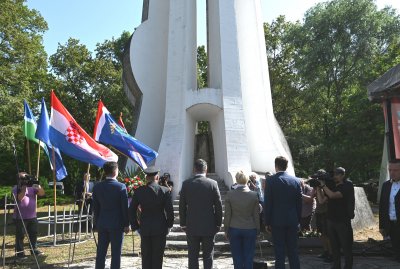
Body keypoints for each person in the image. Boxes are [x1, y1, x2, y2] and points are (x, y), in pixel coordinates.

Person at [179, 159, 223, 269]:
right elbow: (218, 206)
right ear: (206, 169)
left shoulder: (186, 184)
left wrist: (183, 223)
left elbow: (182, 206)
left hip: (192, 225)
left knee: (192, 256)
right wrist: (218, 223)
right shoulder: (213, 184)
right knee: (208, 256)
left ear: (194, 169)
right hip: (208, 225)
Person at [129, 166, 174, 269]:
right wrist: (169, 226)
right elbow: (170, 211)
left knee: (146, 258)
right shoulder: (165, 190)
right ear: (157, 177)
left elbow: (131, 210)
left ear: (146, 178)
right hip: (160, 228)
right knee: (158, 258)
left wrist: (135, 227)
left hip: (145, 228)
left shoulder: (139, 191)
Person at [264, 156, 302, 269]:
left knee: (279, 252)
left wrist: (267, 222)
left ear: (276, 166)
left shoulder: (270, 181)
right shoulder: (296, 181)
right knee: (293, 251)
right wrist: (298, 221)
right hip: (292, 220)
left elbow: (268, 203)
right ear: (287, 166)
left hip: (276, 221)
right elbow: (299, 203)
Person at [92, 161, 130, 269]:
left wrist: (96, 223)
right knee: (116, 253)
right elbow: (124, 207)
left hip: (102, 223)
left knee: (101, 253)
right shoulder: (121, 187)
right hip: (117, 224)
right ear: (115, 171)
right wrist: (127, 224)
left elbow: (96, 208)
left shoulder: (97, 187)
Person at [318, 167, 355, 269]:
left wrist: (323, 185)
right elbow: (321, 201)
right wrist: (317, 188)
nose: (334, 176)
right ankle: (336, 266)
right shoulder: (332, 186)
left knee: (346, 247)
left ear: (343, 175)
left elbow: (333, 195)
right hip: (331, 220)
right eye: (333, 174)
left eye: (336, 174)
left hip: (342, 221)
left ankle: (348, 266)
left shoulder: (347, 185)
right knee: (334, 247)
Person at [224, 170, 260, 269]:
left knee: (237, 258)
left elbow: (227, 215)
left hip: (234, 228)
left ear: (236, 180)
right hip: (250, 228)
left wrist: (226, 230)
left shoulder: (230, 194)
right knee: (249, 257)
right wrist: (258, 230)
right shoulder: (253, 195)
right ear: (247, 180)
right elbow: (256, 215)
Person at [13, 172, 45, 258]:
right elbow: (19, 198)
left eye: (26, 178)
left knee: (33, 234)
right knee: (20, 235)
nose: (26, 180)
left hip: (32, 216)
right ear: (19, 180)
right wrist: (23, 188)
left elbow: (42, 193)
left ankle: (34, 250)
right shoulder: (16, 188)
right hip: (20, 217)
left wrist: (38, 185)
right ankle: (20, 253)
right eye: (23, 178)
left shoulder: (32, 187)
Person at [379, 161, 400, 263]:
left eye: (395, 170)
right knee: (395, 245)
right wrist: (382, 225)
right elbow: (382, 206)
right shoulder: (386, 185)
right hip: (391, 223)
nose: (392, 172)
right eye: (390, 170)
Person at [313, 170, 332, 263]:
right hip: (319, 212)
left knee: (327, 235)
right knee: (322, 234)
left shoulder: (328, 188)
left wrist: (319, 188)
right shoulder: (319, 187)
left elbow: (321, 201)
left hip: (326, 213)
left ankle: (331, 254)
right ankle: (325, 251)